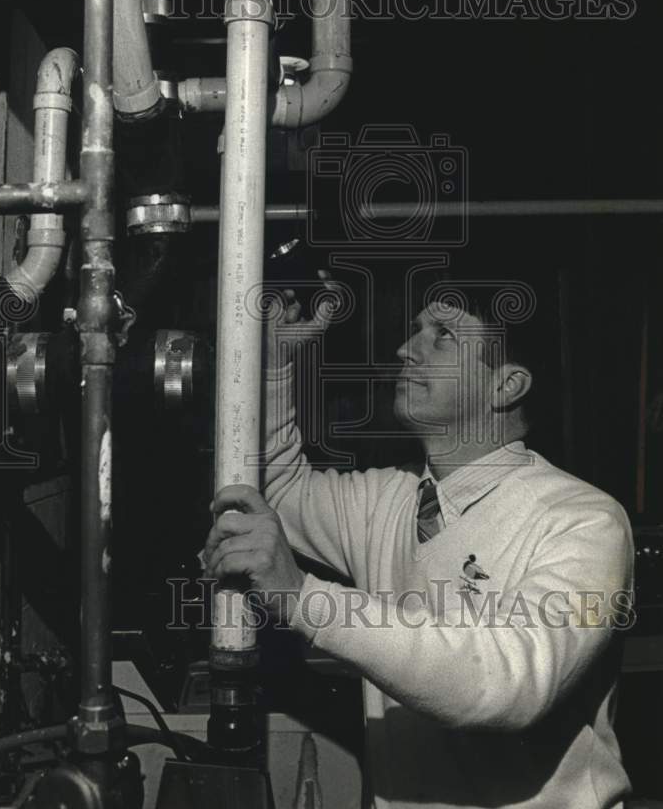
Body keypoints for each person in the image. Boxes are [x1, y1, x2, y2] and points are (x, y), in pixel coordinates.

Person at [203, 273, 634, 809]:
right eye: (415, 330)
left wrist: (302, 599)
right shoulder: (386, 497)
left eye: (443, 336)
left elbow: (508, 686)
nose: (407, 349)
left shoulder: (582, 520)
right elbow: (273, 489)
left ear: (507, 386)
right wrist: (273, 365)